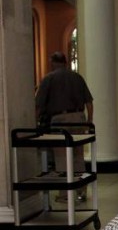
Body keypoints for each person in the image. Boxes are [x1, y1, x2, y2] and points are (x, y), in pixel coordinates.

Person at [35, 51, 94, 202]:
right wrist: (89, 121)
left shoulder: (48, 79)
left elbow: (39, 105)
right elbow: (89, 102)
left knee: (61, 157)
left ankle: (65, 195)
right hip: (79, 118)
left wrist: (35, 123)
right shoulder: (77, 77)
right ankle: (81, 191)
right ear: (66, 62)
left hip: (59, 119)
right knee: (78, 156)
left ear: (52, 62)